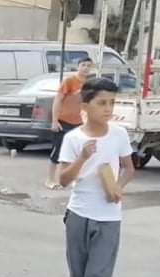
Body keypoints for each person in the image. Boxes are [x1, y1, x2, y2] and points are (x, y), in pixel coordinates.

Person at [57, 77, 134, 277]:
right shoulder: (73, 138)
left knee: (98, 274)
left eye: (112, 103)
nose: (108, 109)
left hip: (109, 217)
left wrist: (118, 188)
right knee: (78, 274)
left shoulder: (119, 135)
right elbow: (63, 179)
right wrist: (82, 158)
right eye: (102, 103)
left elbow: (128, 168)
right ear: (86, 105)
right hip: (79, 214)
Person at [48, 56, 93, 190]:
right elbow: (58, 100)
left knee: (77, 152)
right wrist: (55, 120)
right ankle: (50, 179)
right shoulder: (69, 81)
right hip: (63, 121)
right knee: (57, 151)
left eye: (88, 65)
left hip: (79, 122)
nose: (86, 68)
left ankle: (72, 179)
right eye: (83, 65)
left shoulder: (90, 84)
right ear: (78, 66)